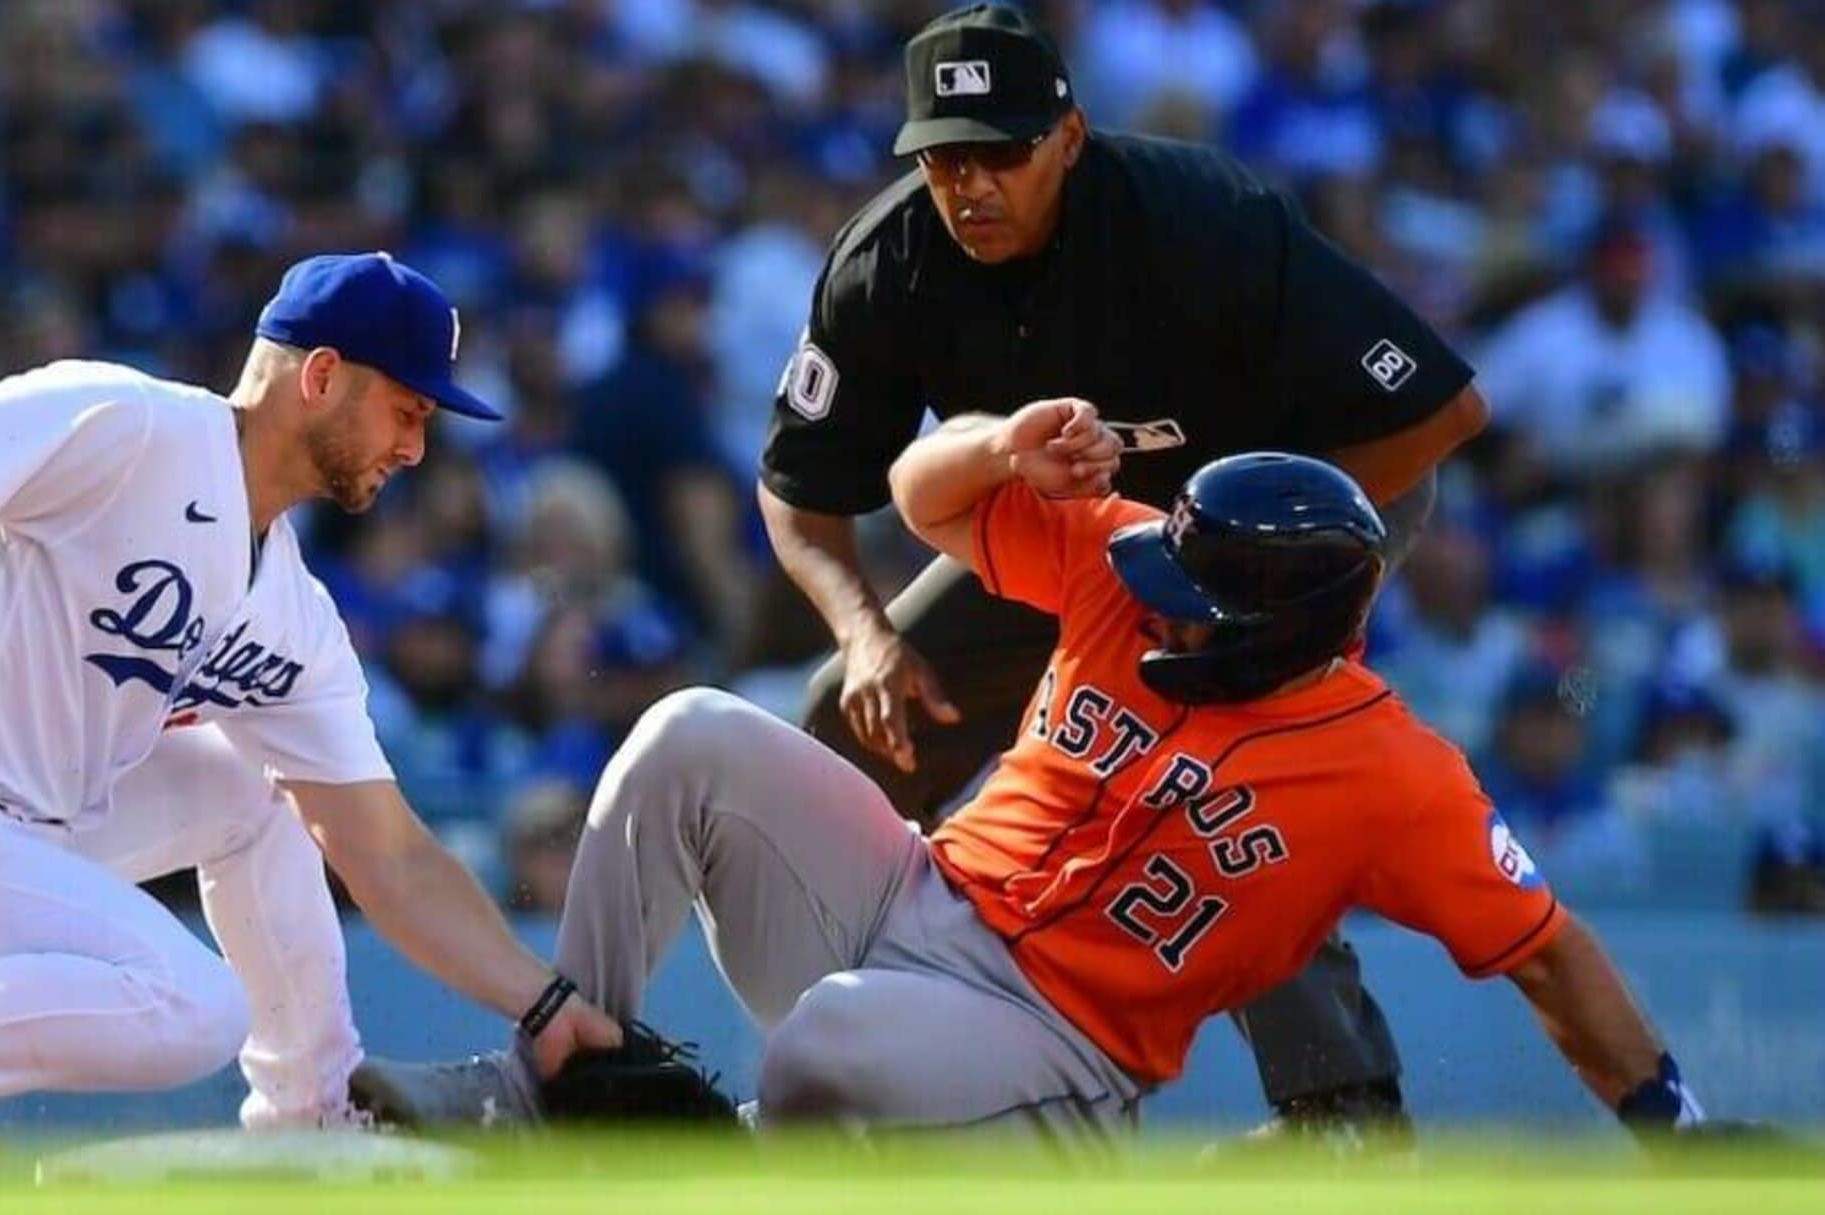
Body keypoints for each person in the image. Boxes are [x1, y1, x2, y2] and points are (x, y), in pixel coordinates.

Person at [359, 401, 1711, 1146]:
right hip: (914, 894)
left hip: (1053, 1053)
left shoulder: (1394, 775)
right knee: (689, 733)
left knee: (829, 1034)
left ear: (1292, 622)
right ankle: (558, 1083)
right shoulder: (1136, 561)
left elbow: (1546, 947)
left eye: (1194, 598)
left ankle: (710, 1154)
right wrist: (1002, 444)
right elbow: (919, 489)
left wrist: (1668, 1114)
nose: (1157, 598)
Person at [0, 253, 622, 1184]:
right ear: (324, 375)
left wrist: (545, 1005)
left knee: (255, 790)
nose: (416, 447)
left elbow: (386, 851)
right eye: (408, 409)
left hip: (27, 839)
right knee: (196, 1008)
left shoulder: (293, 611)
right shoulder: (127, 425)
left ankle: (313, 1107)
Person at [757, 3, 1488, 1138]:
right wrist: (863, 632)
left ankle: (1342, 1111)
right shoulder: (887, 261)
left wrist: (1273, 555)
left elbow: (1441, 411)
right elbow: (801, 496)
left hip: (1285, 521)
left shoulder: (1202, 218)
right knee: (841, 726)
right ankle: (860, 1053)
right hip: (1074, 539)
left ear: (1069, 137)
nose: (971, 185)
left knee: (1198, 738)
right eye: (943, 158)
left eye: (1000, 152)